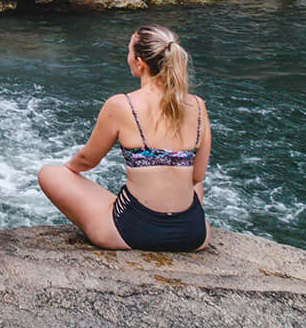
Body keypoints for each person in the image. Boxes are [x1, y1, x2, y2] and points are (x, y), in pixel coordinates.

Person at [37, 25, 211, 251]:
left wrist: (68, 169)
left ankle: (139, 210)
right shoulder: (198, 105)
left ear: (139, 63)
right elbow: (197, 176)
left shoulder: (121, 104)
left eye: (129, 51)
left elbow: (88, 160)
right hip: (192, 235)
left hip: (134, 232)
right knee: (191, 180)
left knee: (50, 173)